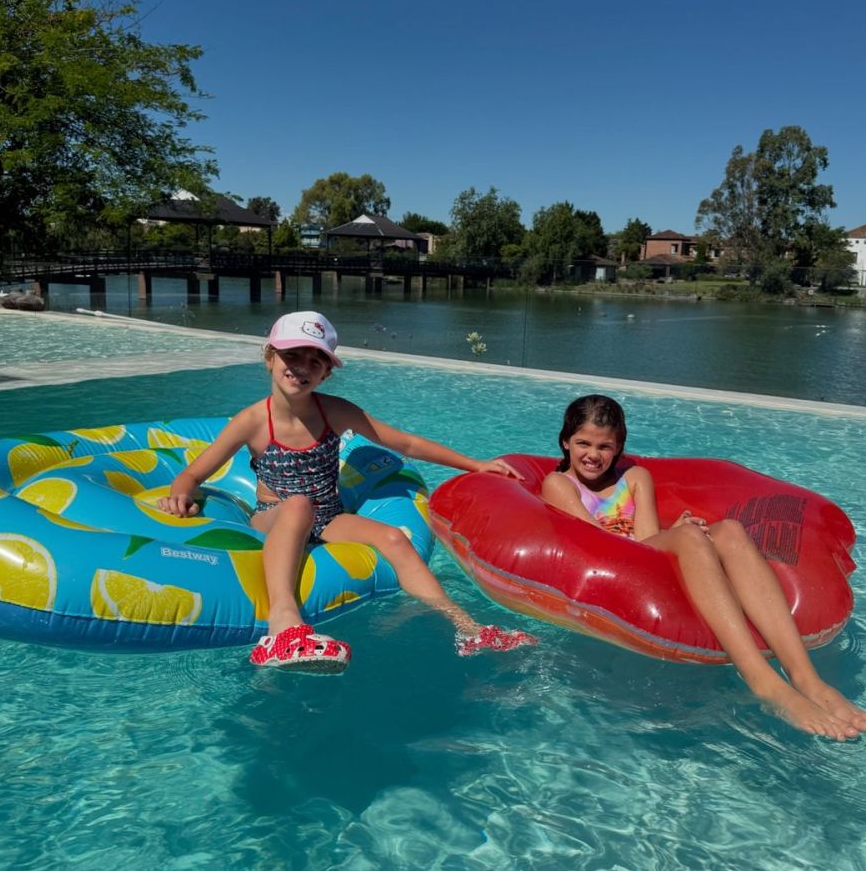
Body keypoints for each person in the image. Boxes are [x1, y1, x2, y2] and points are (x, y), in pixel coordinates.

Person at [159, 311, 536, 673]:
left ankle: (468, 628)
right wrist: (181, 494)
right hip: (273, 516)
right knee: (297, 505)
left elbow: (405, 443)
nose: (302, 367)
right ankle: (282, 628)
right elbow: (194, 473)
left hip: (328, 514)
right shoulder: (252, 421)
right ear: (270, 357)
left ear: (325, 373)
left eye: (315, 361)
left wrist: (474, 464)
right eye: (292, 355)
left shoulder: (335, 412)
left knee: (393, 537)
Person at [541, 394, 866, 741]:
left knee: (730, 530)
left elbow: (647, 535)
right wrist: (679, 538)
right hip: (614, 564)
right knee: (691, 537)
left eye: (605, 446)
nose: (593, 454)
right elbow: (599, 547)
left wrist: (673, 533)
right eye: (583, 443)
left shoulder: (636, 478)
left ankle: (807, 679)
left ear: (619, 446)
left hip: (643, 553)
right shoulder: (559, 484)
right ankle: (764, 682)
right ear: (565, 442)